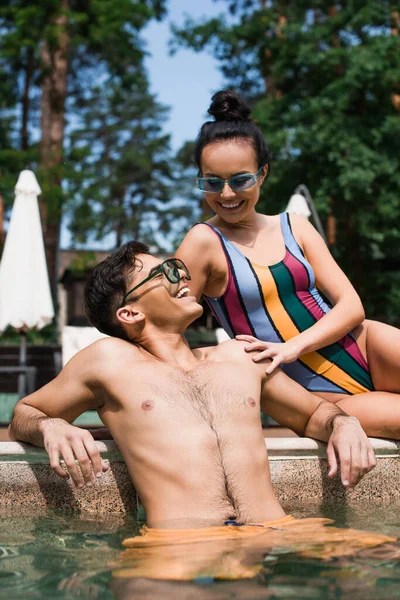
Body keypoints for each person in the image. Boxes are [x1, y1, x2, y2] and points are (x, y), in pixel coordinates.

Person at [9, 242, 374, 528]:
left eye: (178, 268)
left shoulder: (240, 355)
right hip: (180, 548)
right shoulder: (108, 361)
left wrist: (343, 423)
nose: (182, 277)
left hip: (275, 530)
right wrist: (51, 425)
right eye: (165, 272)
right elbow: (25, 413)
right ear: (131, 313)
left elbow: (313, 414)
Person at [175, 89, 400, 440]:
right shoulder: (202, 241)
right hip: (311, 392)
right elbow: (162, 323)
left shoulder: (294, 226)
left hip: (365, 344)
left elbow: (352, 306)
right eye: (212, 183)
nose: (227, 194)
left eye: (240, 180)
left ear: (262, 174)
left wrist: (293, 346)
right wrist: (214, 359)